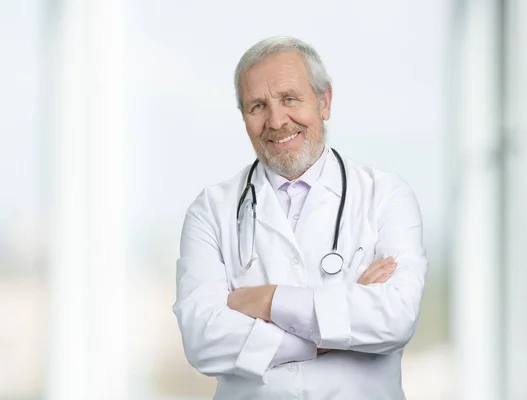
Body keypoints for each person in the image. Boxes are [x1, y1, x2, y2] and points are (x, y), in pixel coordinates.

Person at [173, 36, 428, 400]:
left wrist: (266, 300)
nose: (276, 120)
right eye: (257, 106)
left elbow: (395, 319)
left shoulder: (385, 195)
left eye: (290, 99)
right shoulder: (211, 209)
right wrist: (333, 330)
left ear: (324, 102)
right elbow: (203, 342)